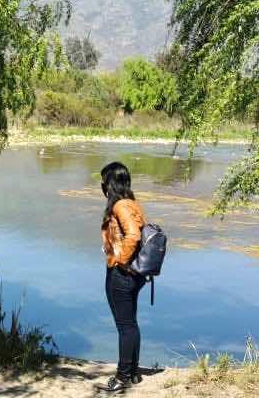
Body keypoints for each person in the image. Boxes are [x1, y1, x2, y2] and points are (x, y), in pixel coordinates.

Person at [99, 161, 146, 393]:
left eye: (104, 181)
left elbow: (134, 235)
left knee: (125, 326)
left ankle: (123, 376)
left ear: (111, 183)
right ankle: (134, 372)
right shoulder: (132, 203)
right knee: (130, 324)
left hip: (122, 274)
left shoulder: (121, 206)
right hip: (134, 274)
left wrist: (120, 261)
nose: (102, 186)